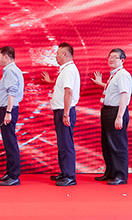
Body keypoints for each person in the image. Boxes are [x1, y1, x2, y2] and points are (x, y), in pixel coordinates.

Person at [41, 42, 80, 187]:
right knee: (62, 143)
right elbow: (62, 87)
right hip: (61, 110)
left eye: (57, 53)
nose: (56, 56)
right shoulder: (65, 70)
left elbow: (68, 92)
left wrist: (66, 113)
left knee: (66, 144)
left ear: (65, 54)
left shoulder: (68, 70)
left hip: (64, 111)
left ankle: (69, 176)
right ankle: (64, 172)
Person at [91, 48, 132, 185]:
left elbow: (124, 95)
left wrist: (119, 116)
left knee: (117, 144)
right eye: (110, 57)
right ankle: (110, 172)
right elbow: (112, 90)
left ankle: (120, 175)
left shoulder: (123, 74)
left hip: (116, 111)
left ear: (122, 60)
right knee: (107, 144)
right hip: (107, 111)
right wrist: (100, 84)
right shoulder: (114, 75)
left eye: (115, 57)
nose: (111, 59)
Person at [0, 46, 24, 187]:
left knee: (10, 142)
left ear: (6, 57)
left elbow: (12, 92)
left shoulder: (10, 71)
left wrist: (8, 112)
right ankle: (10, 173)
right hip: (6, 110)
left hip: (7, 110)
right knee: (8, 142)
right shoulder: (12, 70)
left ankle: (14, 176)